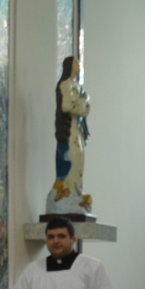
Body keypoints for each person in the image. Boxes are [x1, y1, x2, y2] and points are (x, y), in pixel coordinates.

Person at [48, 56, 92, 213]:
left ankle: (76, 195)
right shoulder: (65, 84)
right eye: (75, 62)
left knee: (79, 161)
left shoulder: (77, 86)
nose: (78, 64)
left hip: (77, 129)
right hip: (69, 131)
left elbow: (85, 109)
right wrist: (83, 102)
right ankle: (66, 194)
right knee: (71, 160)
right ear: (69, 66)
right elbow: (67, 106)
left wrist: (83, 104)